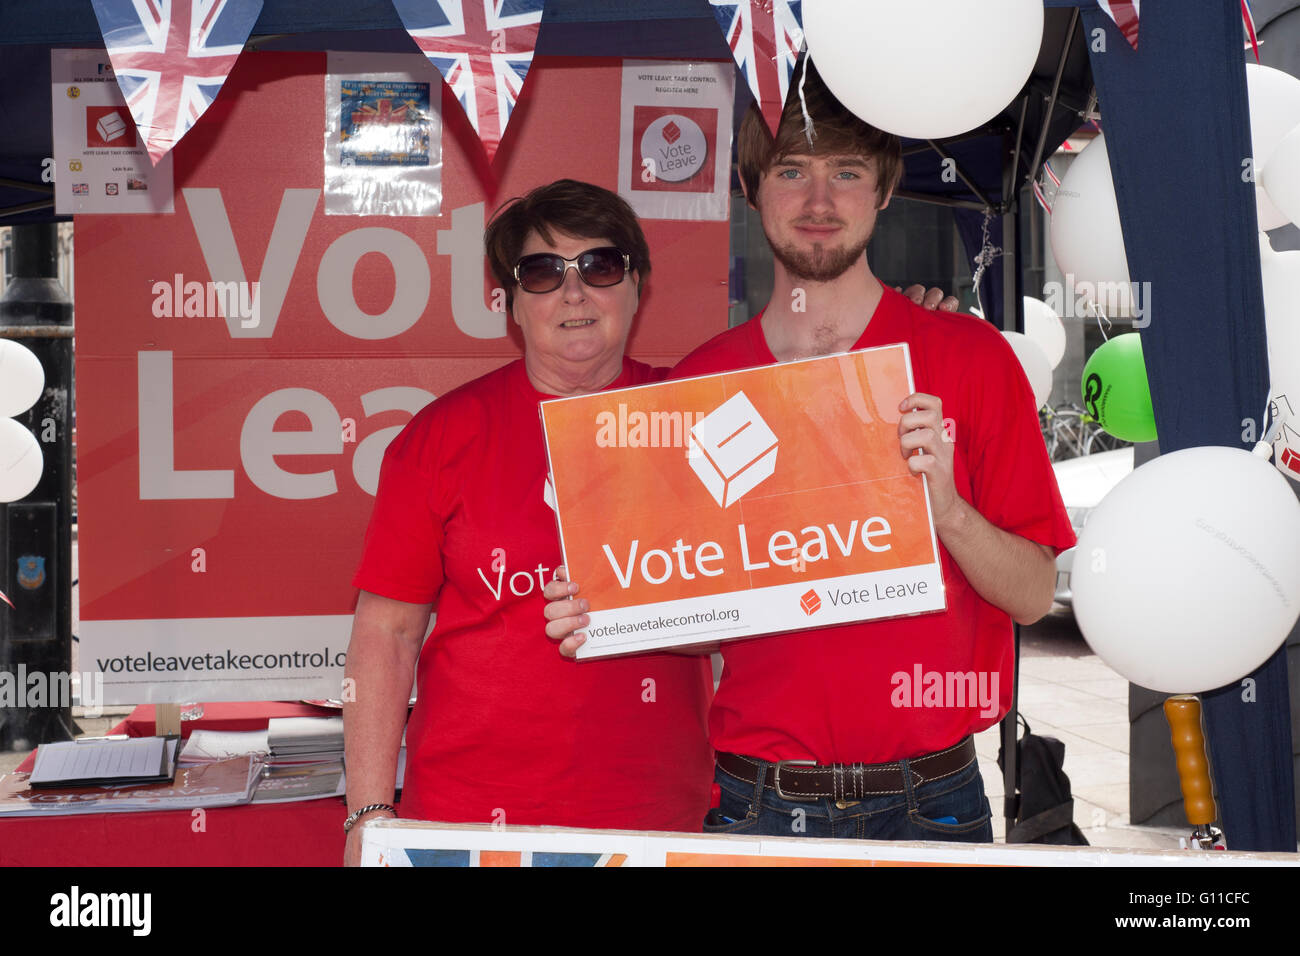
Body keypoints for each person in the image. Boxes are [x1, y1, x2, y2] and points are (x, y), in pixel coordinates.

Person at [545, 62, 1076, 843]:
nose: (819, 202)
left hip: (935, 800)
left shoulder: (971, 358)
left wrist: (949, 515)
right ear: (753, 190)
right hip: (759, 801)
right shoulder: (702, 382)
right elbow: (701, 614)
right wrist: (610, 614)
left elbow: (1033, 596)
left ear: (885, 190)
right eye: (791, 170)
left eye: (847, 172)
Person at [341, 180, 716, 865]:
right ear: (510, 303)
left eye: (601, 267)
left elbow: (755, 607)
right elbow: (385, 632)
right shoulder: (439, 438)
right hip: (465, 824)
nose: (573, 293)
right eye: (542, 273)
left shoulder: (692, 422)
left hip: (655, 820)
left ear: (638, 285)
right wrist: (367, 813)